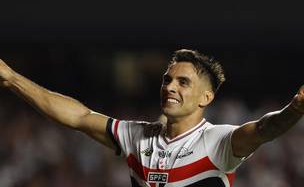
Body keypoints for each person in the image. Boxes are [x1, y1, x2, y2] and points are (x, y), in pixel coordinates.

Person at [0, 49, 303, 187]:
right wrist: (12, 78)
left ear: (206, 98)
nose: (170, 87)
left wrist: (296, 108)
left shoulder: (219, 141)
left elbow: (266, 128)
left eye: (183, 82)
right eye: (166, 79)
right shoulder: (137, 135)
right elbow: (78, 117)